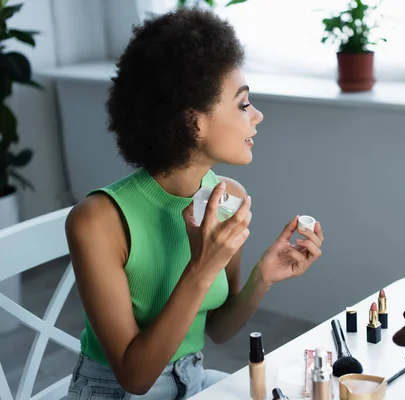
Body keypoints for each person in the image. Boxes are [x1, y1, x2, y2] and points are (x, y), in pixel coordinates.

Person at [64, 8, 324, 400]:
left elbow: (217, 329)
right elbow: (135, 377)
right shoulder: (97, 221)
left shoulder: (228, 197)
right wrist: (201, 268)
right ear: (194, 123)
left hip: (193, 381)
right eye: (242, 104)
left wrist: (263, 276)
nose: (257, 115)